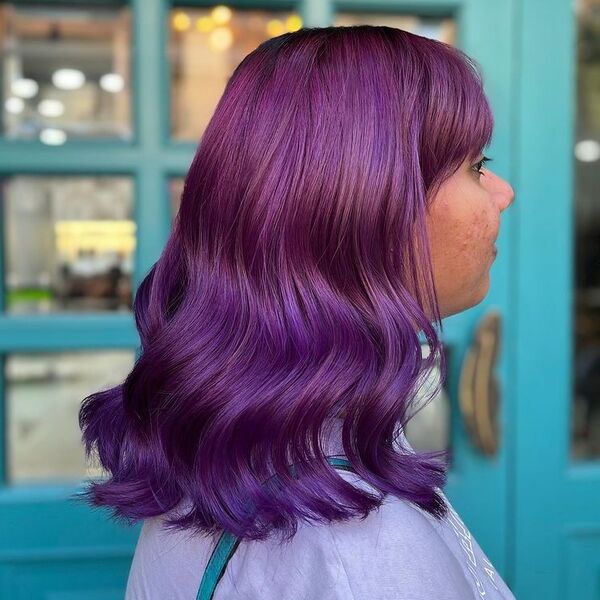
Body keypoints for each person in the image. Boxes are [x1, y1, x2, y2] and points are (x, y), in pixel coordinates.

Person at [77, 25, 515, 599]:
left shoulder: (237, 444)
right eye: (476, 166)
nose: (502, 191)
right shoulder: (361, 554)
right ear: (368, 205)